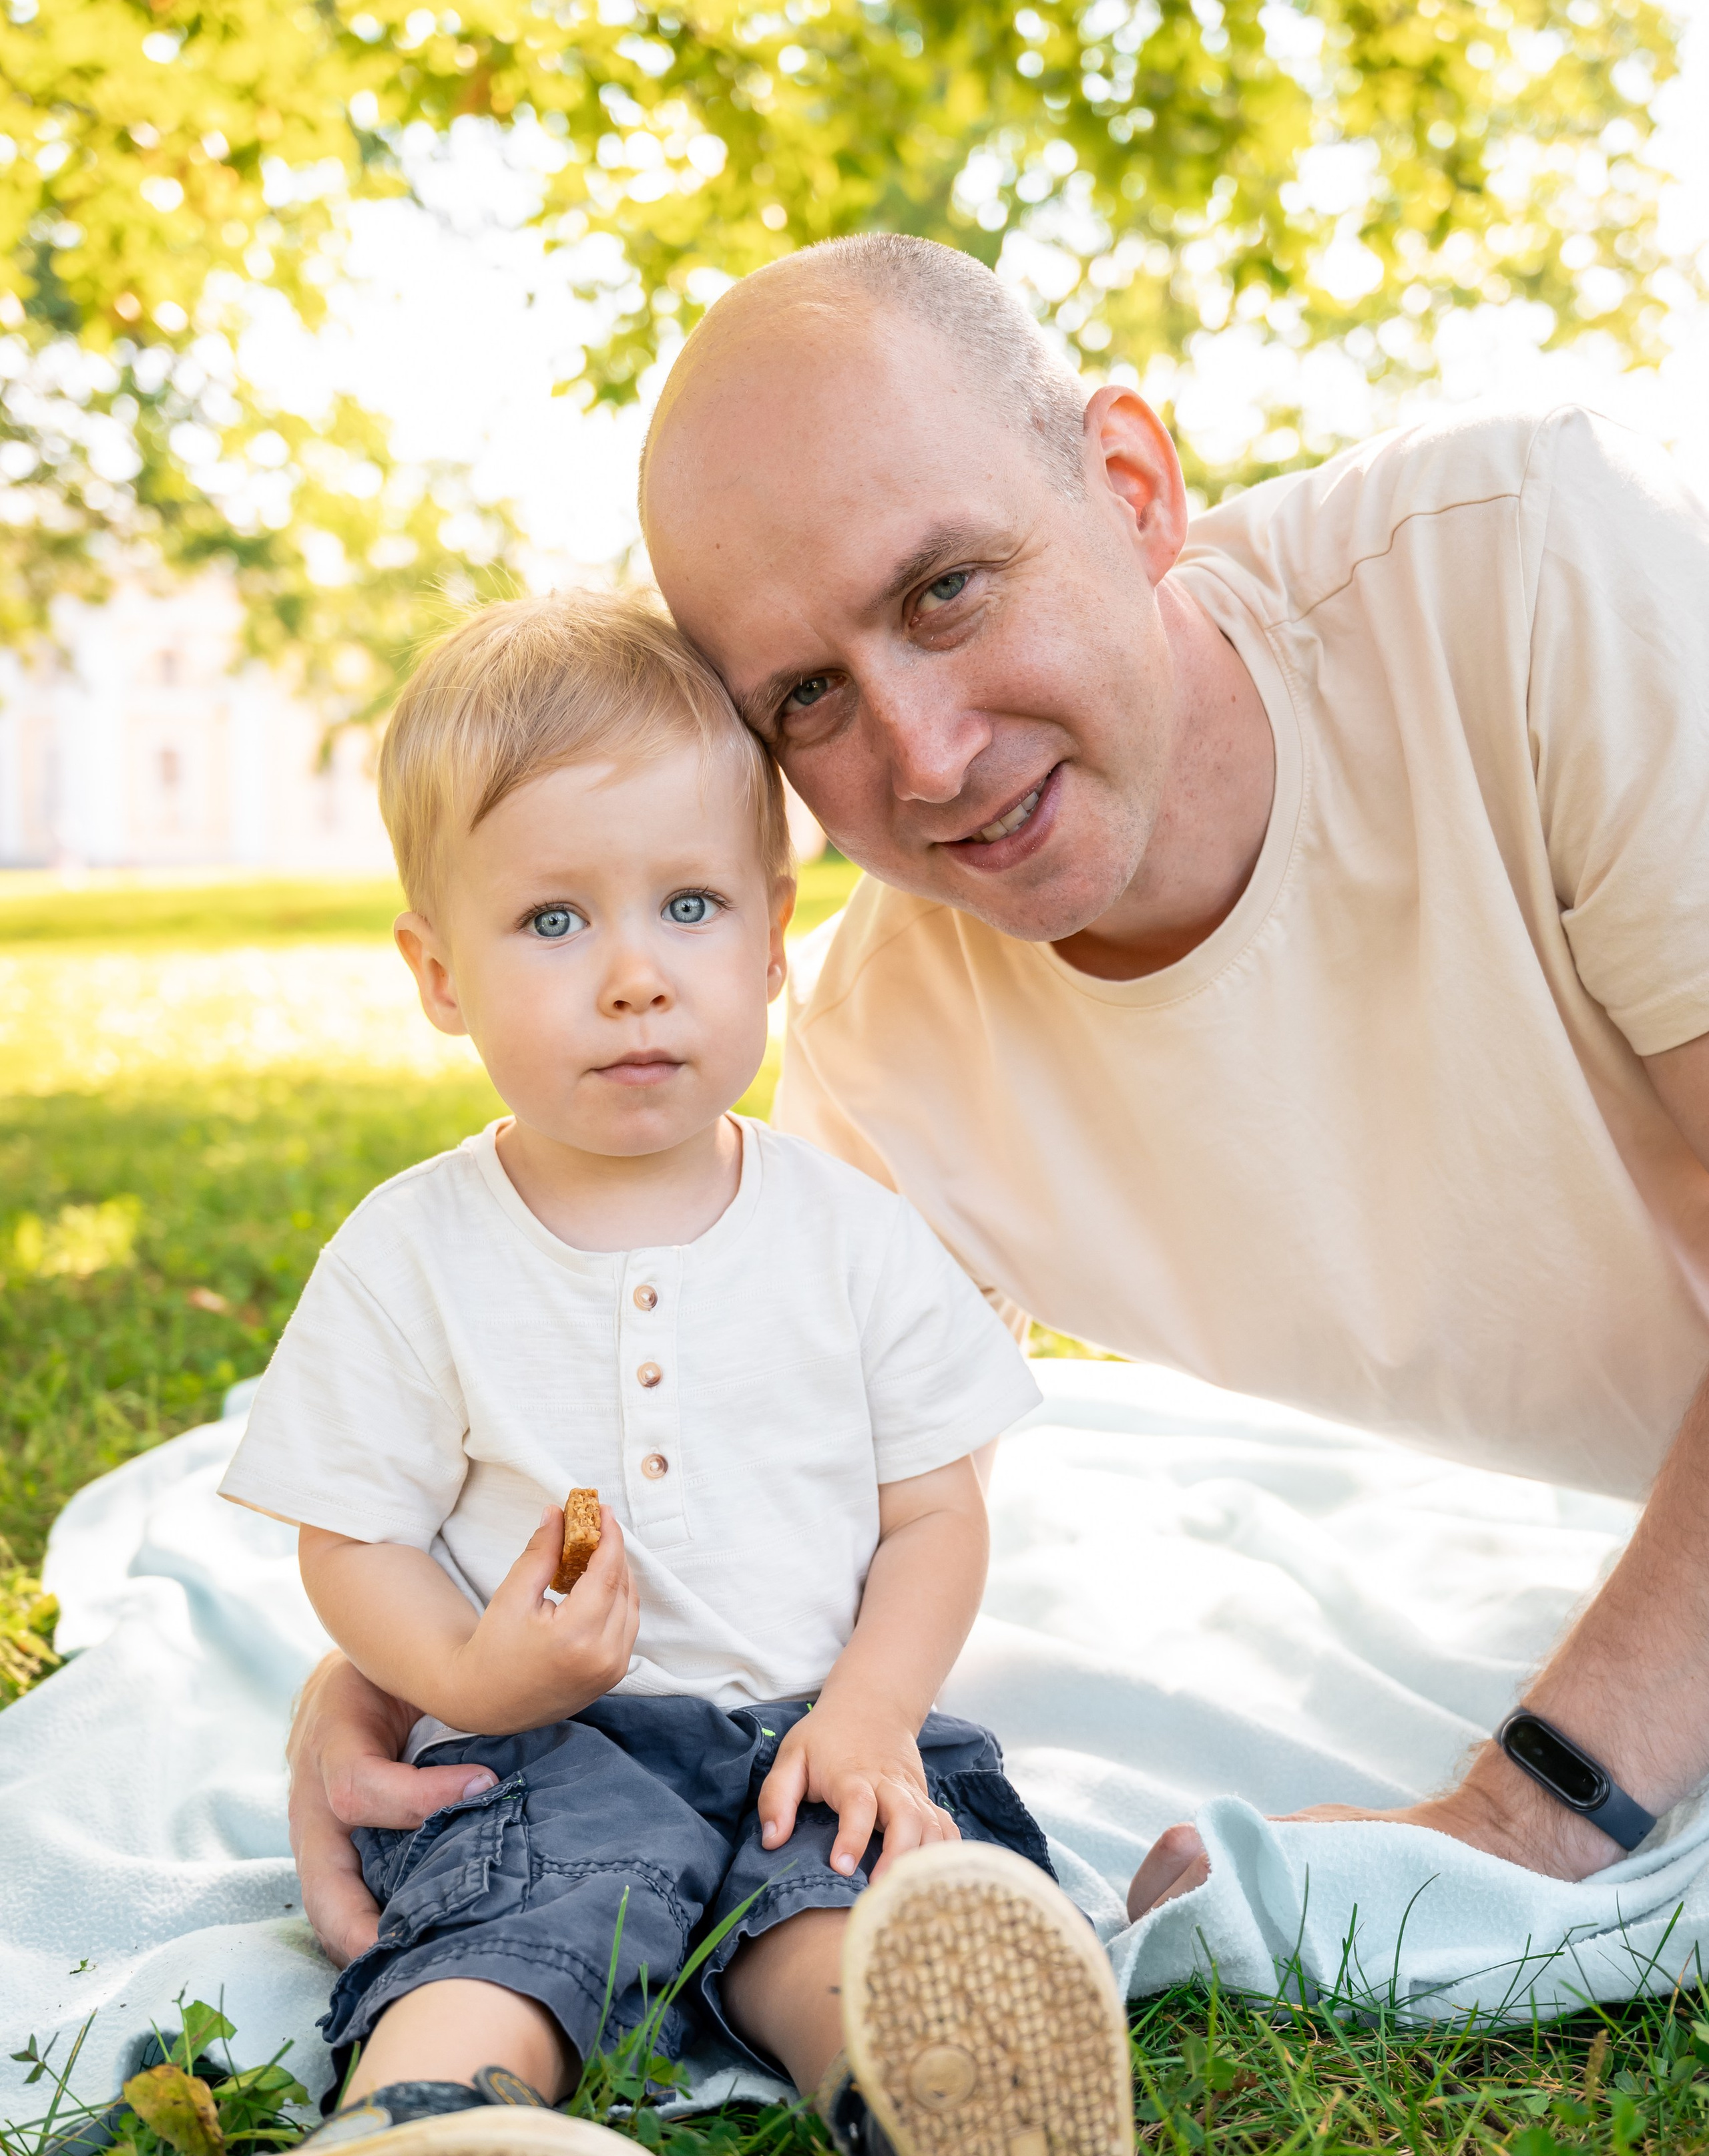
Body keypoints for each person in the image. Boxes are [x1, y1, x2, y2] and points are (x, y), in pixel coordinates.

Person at [292, 233, 1709, 1954]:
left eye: (947, 590)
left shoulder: (1541, 570)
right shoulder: (885, 1049)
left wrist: (1526, 1815)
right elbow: (744, 1464)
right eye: (809, 696)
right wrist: (400, 1671)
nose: (930, 756)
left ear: (1132, 486)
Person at [144, 589, 1148, 2156]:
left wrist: (872, 1709)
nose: (634, 974)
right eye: (553, 920)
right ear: (437, 976)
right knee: (510, 1908)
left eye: (690, 905)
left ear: (774, 938)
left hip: (807, 1726)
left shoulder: (852, 1236)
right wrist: (470, 1675)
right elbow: (354, 1537)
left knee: (838, 1897)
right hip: (546, 1741)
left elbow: (937, 1512)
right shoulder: (414, 1251)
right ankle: (418, 2150)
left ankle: (947, 2122)